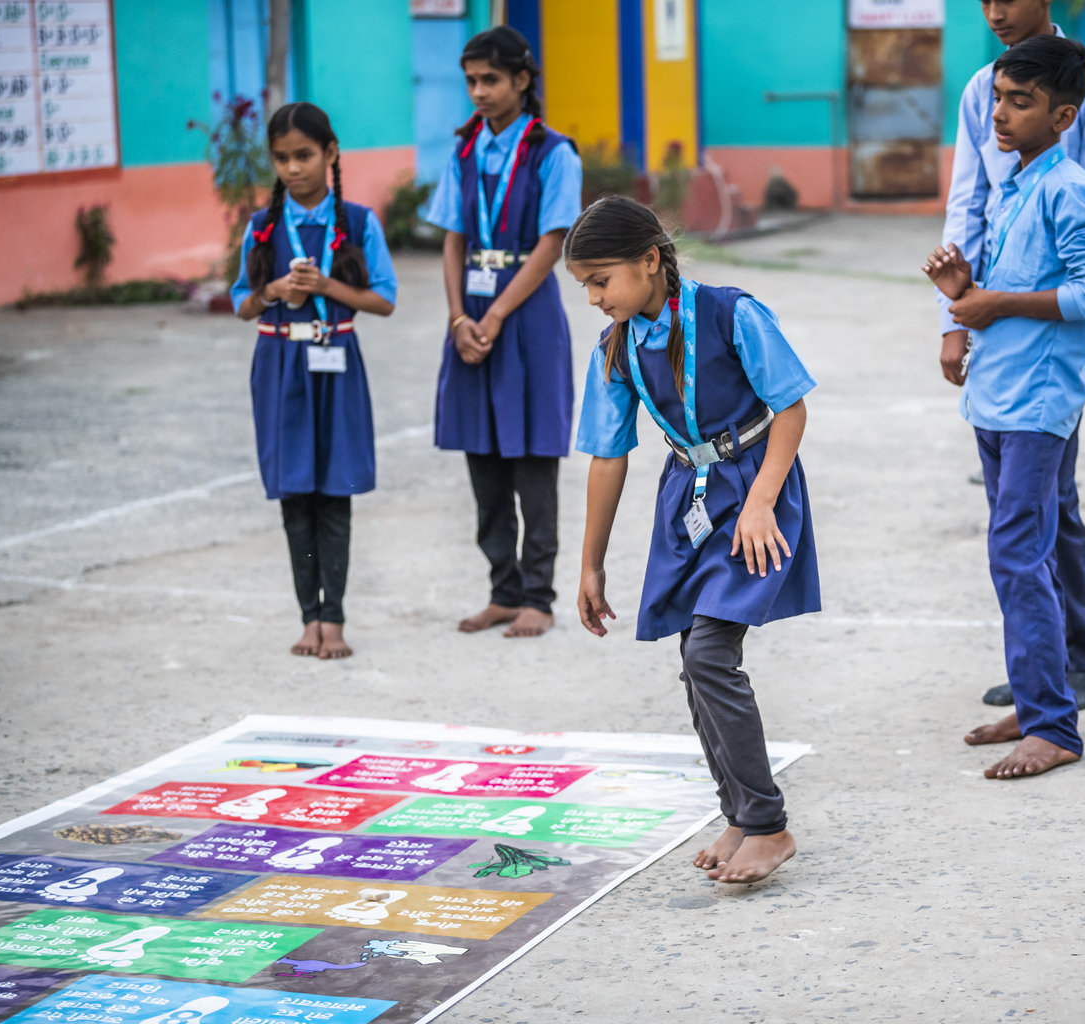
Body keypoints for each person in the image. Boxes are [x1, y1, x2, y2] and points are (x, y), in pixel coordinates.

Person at [567, 197, 819, 883]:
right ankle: (739, 812)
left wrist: (763, 502)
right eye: (584, 285)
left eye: (600, 280)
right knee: (695, 659)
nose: (592, 298)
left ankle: (768, 824)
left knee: (710, 652)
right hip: (689, 498)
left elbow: (791, 407)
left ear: (650, 261)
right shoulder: (617, 346)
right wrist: (589, 566)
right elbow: (607, 455)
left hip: (754, 488)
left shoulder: (731, 313)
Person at [923, 34, 1085, 778]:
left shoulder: (1069, 188)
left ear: (1063, 116)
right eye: (999, 98)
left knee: (1017, 553)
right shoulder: (1015, 181)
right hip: (998, 395)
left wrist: (995, 300)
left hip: (1038, 402)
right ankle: (1042, 697)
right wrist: (965, 292)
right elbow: (1006, 289)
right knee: (1030, 545)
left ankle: (1054, 726)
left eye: (1021, 102)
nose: (1000, 114)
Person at [424, 26, 583, 639]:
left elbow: (550, 244)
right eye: (471, 81)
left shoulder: (552, 152)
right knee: (483, 457)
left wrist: (491, 317)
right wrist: (458, 317)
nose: (478, 91)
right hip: (472, 314)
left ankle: (537, 598)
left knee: (532, 459)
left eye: (489, 79)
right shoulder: (464, 150)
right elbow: (454, 236)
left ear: (522, 80)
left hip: (525, 317)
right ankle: (502, 590)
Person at [231, 102, 398, 660]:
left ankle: (335, 618)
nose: (293, 168)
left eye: (304, 155)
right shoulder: (262, 227)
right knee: (294, 492)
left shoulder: (356, 222)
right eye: (281, 158)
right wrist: (276, 292)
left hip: (337, 362)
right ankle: (308, 616)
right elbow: (240, 304)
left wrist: (325, 285)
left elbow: (384, 300)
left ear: (330, 154)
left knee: (334, 491)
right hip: (279, 366)